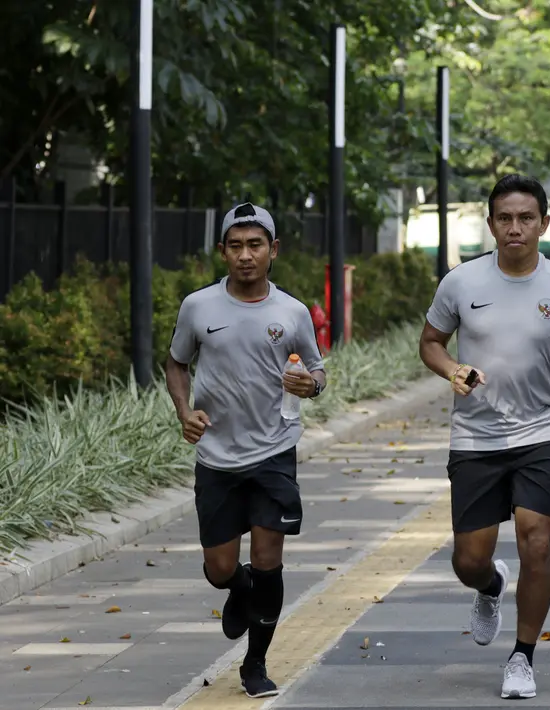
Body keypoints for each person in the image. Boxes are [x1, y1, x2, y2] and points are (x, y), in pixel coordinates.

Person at [418, 174, 550, 700]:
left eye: (526, 218)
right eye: (505, 218)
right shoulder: (461, 282)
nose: (515, 228)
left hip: (541, 432)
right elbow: (431, 342)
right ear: (491, 224)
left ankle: (522, 657)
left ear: (544, 224)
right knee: (469, 561)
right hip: (476, 438)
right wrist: (451, 368)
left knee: (537, 541)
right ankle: (490, 586)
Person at [166, 202, 327, 698]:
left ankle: (254, 664)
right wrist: (182, 410)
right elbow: (176, 364)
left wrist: (309, 385)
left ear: (273, 250)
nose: (245, 256)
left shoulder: (292, 312)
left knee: (267, 559)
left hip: (273, 452)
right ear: (222, 251)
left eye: (255, 245)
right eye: (235, 246)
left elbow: (318, 373)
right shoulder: (198, 306)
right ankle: (238, 588)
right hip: (216, 456)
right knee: (219, 569)